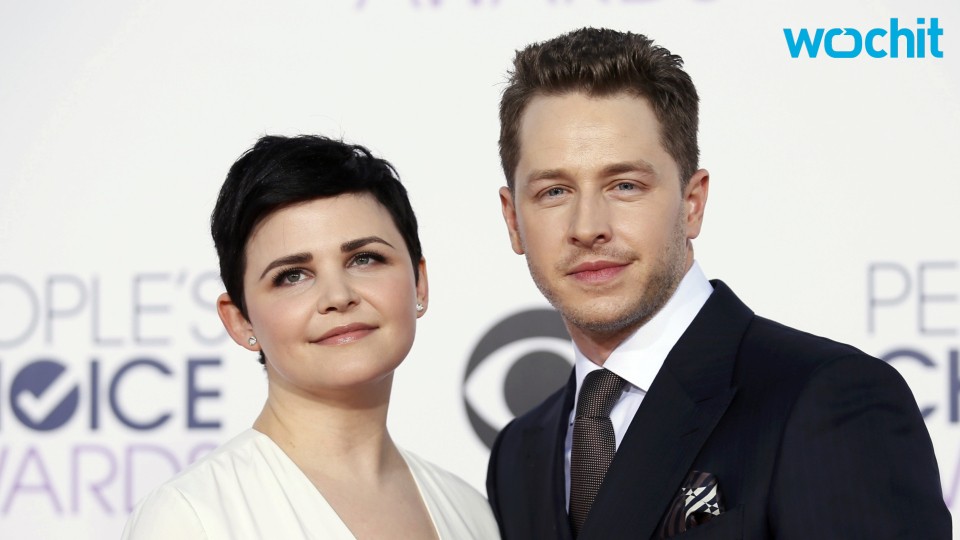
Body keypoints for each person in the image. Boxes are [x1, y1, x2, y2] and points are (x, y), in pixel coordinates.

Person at [485, 28, 951, 539]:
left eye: (625, 185)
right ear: (513, 220)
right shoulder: (519, 454)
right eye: (554, 191)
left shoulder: (827, 399)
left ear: (692, 203)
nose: (588, 226)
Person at [123, 135, 499, 539]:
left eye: (364, 258)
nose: (338, 296)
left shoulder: (472, 513)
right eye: (292, 276)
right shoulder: (191, 517)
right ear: (241, 321)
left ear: (419, 283)